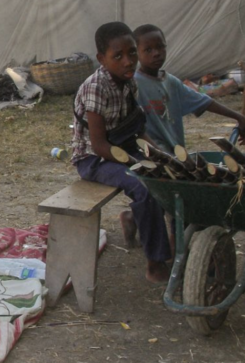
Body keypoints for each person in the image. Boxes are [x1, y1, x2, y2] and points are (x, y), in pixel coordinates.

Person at [71, 22, 171, 283]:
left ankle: (141, 223)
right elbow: (99, 145)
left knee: (163, 173)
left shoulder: (129, 84)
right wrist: (138, 164)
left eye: (132, 54)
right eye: (118, 56)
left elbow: (136, 130)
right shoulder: (96, 87)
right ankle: (155, 261)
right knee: (143, 184)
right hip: (93, 159)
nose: (128, 62)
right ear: (101, 59)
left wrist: (158, 154)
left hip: (121, 148)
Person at [133, 24, 245, 153]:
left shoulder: (171, 82)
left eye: (160, 47)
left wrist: (239, 117)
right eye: (148, 50)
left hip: (177, 154)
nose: (156, 53)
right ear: (136, 53)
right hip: (152, 154)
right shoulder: (134, 84)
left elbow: (205, 102)